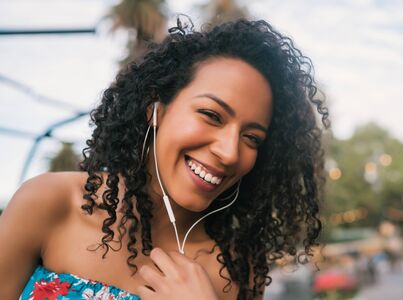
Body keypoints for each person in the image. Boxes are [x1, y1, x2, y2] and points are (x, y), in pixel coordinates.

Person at [0, 17, 329, 300]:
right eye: (211, 115)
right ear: (156, 108)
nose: (229, 152)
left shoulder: (238, 270)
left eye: (252, 138)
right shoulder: (51, 203)